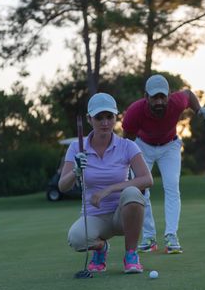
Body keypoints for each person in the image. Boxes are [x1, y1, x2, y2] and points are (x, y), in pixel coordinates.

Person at [59, 92, 153, 274]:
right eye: (99, 117)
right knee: (77, 239)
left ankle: (131, 255)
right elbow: (63, 186)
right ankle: (101, 249)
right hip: (95, 216)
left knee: (133, 193)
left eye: (109, 117)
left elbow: (146, 179)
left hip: (122, 215)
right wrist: (75, 171)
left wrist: (109, 189)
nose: (105, 123)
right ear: (89, 119)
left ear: (116, 117)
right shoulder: (76, 148)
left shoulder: (127, 146)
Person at [122, 74, 205, 254]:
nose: (159, 102)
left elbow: (188, 93)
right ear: (146, 97)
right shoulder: (134, 111)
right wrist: (126, 164)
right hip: (142, 147)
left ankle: (171, 236)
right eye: (154, 97)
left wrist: (199, 110)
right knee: (141, 190)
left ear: (169, 95)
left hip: (170, 146)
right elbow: (127, 141)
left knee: (172, 187)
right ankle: (149, 237)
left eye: (162, 97)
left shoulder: (177, 102)